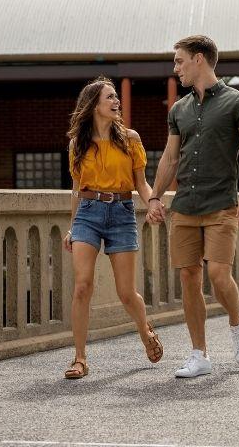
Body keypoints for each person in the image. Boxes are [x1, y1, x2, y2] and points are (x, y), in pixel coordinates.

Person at [148, 35, 239, 379]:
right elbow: (170, 157)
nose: (176, 68)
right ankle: (200, 355)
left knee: (217, 274)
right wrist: (155, 197)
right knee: (188, 276)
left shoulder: (238, 101)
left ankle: (237, 324)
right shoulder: (178, 109)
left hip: (221, 204)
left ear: (199, 59)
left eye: (180, 61)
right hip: (185, 206)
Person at [63, 77, 163, 379]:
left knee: (125, 293)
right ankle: (79, 358)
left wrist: (153, 202)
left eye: (116, 96)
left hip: (121, 213)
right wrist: (72, 227)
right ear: (94, 104)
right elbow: (77, 188)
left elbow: (140, 182)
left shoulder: (130, 139)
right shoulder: (77, 144)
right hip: (88, 214)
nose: (116, 101)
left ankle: (145, 331)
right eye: (110, 97)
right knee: (82, 286)